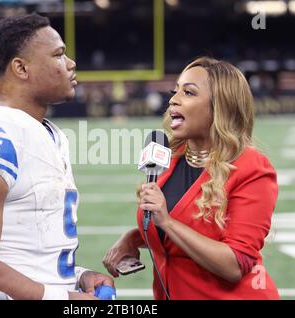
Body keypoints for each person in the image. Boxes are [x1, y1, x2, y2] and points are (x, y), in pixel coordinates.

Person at [0, 13, 113, 300]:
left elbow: (28, 251)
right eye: (58, 55)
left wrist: (78, 277)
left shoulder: (50, 134)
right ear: (21, 67)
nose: (71, 64)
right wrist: (65, 300)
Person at [103, 57, 279, 300]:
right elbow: (179, 231)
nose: (173, 99)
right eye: (175, 91)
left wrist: (167, 222)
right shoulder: (168, 158)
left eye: (188, 92)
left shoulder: (252, 167)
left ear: (220, 105)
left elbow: (235, 265)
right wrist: (134, 237)